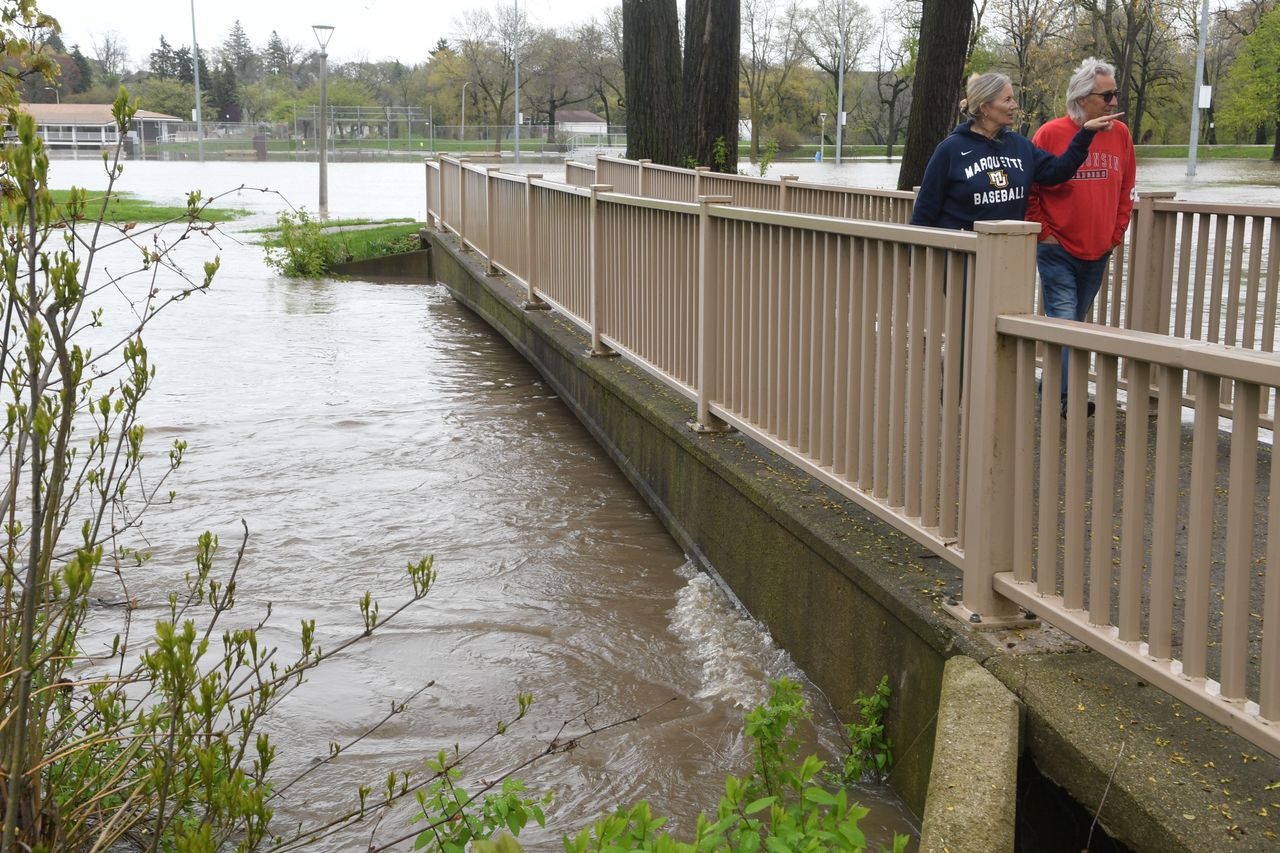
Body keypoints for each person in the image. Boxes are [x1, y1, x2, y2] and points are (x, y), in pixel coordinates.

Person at [1027, 58, 1136, 417]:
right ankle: (1065, 401)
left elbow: (1126, 189)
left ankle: (1049, 389)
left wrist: (1115, 233)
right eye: (1107, 96)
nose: (1114, 103)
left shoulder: (1120, 135)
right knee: (1067, 323)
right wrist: (1044, 233)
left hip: (1098, 250)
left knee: (1075, 324)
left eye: (1115, 95)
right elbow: (1030, 189)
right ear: (1083, 97)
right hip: (1057, 248)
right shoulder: (1049, 134)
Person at [910, 72, 1123, 231]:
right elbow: (925, 210)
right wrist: (913, 261)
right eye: (1007, 99)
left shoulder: (1019, 145)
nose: (1014, 105)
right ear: (985, 108)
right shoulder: (951, 149)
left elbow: (1058, 172)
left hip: (1008, 254)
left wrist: (1084, 135)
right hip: (960, 258)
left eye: (1013, 98)